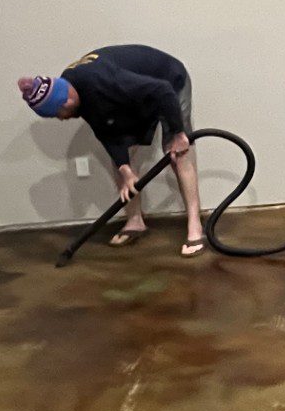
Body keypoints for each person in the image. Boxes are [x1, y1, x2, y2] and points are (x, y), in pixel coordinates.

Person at [19, 45, 206, 257]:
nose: (61, 119)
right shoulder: (72, 86)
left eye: (58, 114)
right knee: (122, 160)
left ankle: (195, 226)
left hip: (169, 80)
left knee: (179, 153)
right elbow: (105, 131)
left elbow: (162, 90)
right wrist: (125, 169)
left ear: (67, 101)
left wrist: (179, 133)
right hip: (136, 93)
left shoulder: (100, 83)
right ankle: (135, 222)